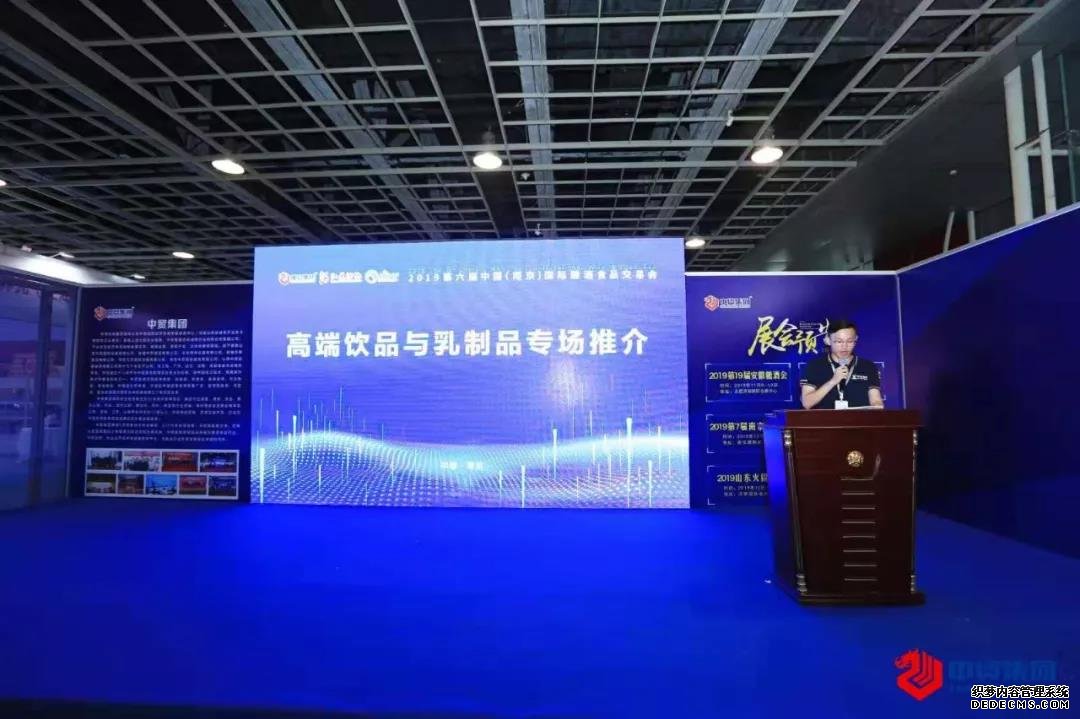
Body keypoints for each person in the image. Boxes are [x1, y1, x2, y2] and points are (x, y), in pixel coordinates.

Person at [799, 319, 884, 409]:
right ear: (828, 340)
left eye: (850, 341)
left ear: (856, 339)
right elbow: (807, 403)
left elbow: (876, 400)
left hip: (859, 418)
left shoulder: (868, 367)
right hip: (825, 418)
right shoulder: (814, 366)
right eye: (839, 341)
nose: (844, 346)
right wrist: (833, 381)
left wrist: (878, 405)